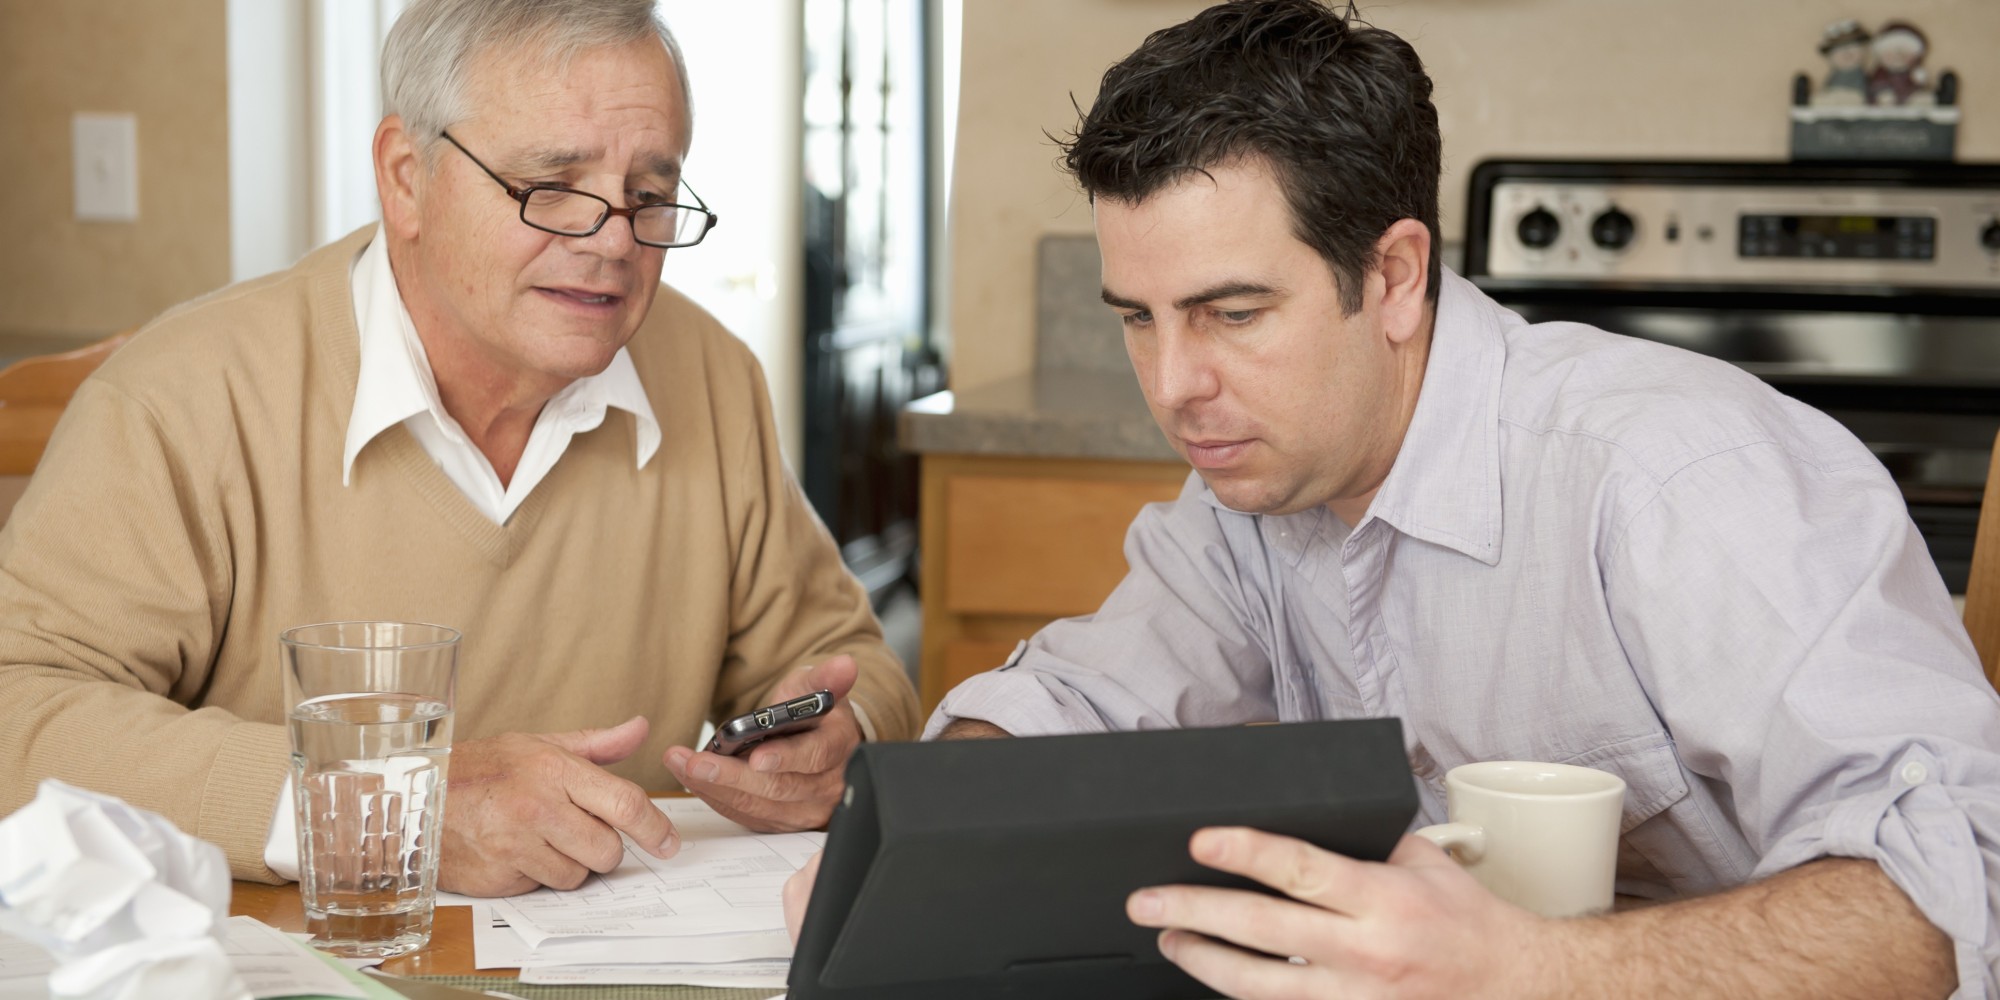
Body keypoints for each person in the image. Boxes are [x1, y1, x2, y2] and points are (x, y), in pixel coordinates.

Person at [787, 1, 1999, 996]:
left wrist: (1534, 969)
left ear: (1396, 275)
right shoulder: (1255, 488)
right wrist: (913, 844)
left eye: (1231, 313)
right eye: (1138, 320)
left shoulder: (1672, 478)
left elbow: (1962, 880)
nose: (1172, 386)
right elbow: (1076, 700)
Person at [0, 0, 919, 898]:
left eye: (648, 195)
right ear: (406, 178)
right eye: (552, 188)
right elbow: (18, 710)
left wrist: (841, 740)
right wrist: (383, 807)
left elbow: (849, 662)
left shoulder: (712, 376)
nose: (613, 242)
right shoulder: (186, 396)